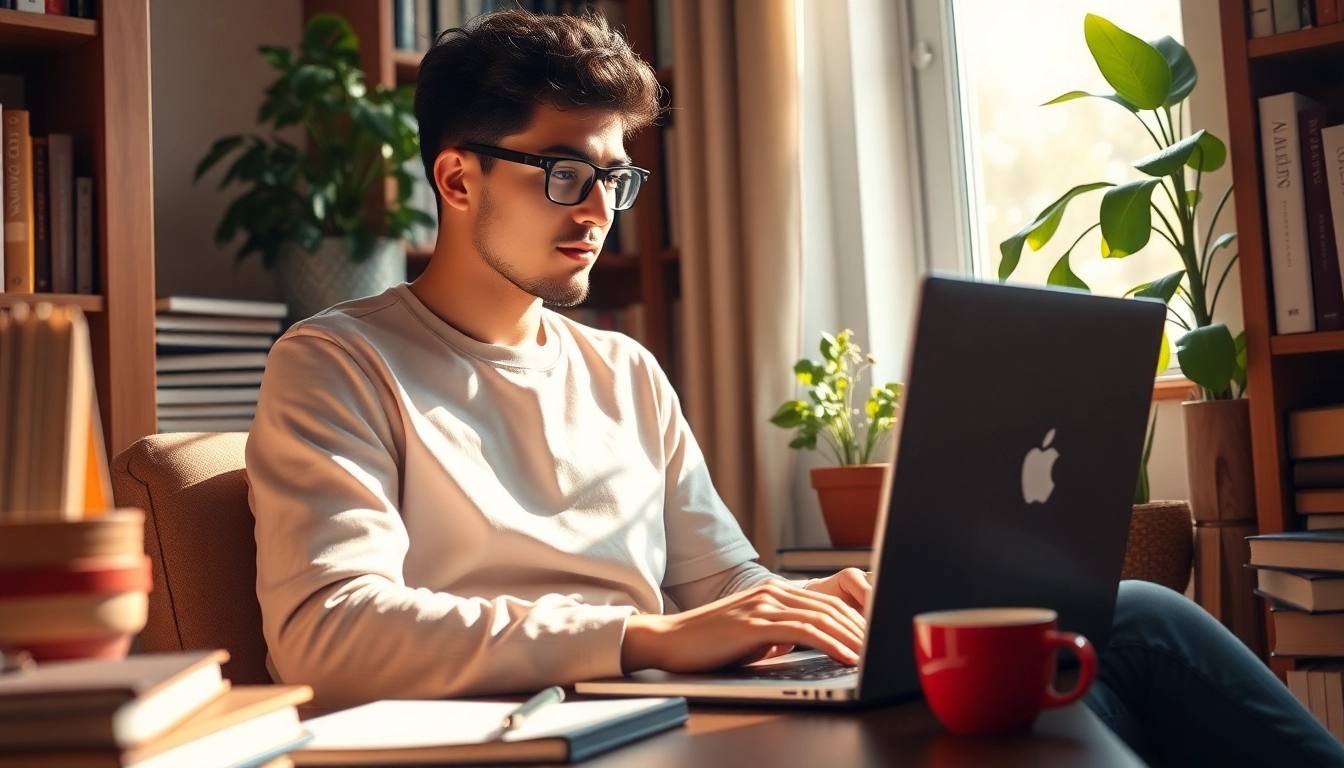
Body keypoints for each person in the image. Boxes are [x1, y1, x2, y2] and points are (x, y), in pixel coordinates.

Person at [245, 9, 1344, 766]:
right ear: (456, 179)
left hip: (679, 714)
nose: (595, 209)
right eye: (565, 173)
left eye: (613, 179)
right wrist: (640, 639)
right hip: (560, 731)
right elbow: (332, 632)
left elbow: (724, 578)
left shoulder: (623, 371)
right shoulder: (340, 365)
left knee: (1111, 633)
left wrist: (820, 619)